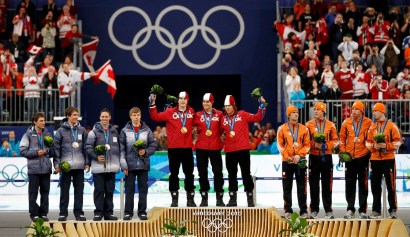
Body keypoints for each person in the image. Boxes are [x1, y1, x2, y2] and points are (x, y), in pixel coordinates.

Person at [149, 92, 196, 207]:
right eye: (180, 98)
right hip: (174, 149)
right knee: (174, 174)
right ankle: (174, 199)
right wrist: (152, 104)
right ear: (178, 100)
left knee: (189, 174)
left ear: (187, 101)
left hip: (187, 148)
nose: (182, 100)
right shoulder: (170, 112)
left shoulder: (191, 112)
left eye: (185, 99)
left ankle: (190, 199)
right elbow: (155, 117)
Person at [221, 95, 266, 207]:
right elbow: (218, 133)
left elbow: (258, 117)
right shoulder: (223, 120)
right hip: (230, 151)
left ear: (234, 106)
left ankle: (250, 198)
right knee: (231, 175)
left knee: (246, 174)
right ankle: (232, 199)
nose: (227, 108)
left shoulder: (242, 114)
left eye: (229, 106)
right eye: (225, 106)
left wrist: (262, 106)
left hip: (243, 150)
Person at [120, 107, 157, 220]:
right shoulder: (124, 131)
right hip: (130, 166)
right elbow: (121, 149)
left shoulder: (147, 130)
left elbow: (153, 145)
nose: (136, 117)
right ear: (130, 116)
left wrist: (145, 152)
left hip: (143, 165)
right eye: (134, 115)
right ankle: (128, 213)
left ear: (140, 116)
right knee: (129, 190)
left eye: (138, 115)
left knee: (143, 191)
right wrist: (124, 165)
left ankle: (142, 212)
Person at [366, 103, 401, 219]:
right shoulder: (372, 127)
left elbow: (398, 142)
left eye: (376, 111)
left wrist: (386, 145)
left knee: (391, 186)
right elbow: (367, 142)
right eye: (373, 111)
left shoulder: (391, 126)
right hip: (375, 159)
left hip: (388, 159)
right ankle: (376, 211)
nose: (374, 113)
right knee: (375, 186)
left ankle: (393, 210)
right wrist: (373, 147)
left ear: (382, 111)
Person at [53, 107, 89, 221]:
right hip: (65, 166)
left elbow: (86, 148)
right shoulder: (60, 131)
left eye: (77, 114)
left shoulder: (82, 130)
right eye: (74, 114)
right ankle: (63, 213)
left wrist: (87, 163)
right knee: (64, 191)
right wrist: (57, 165)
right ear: (68, 116)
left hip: (79, 165)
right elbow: (56, 149)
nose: (76, 117)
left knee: (79, 191)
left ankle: (79, 213)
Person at [85, 108, 121, 221]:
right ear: (100, 118)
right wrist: (96, 157)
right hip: (98, 167)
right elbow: (88, 147)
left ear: (110, 118)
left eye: (107, 116)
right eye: (103, 117)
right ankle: (98, 213)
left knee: (109, 191)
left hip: (112, 167)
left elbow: (118, 148)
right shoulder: (93, 132)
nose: (105, 118)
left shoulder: (115, 131)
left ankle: (109, 213)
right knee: (99, 191)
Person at [339, 101, 372, 219]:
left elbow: (371, 138)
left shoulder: (368, 122)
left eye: (356, 109)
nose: (353, 111)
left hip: (363, 156)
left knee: (363, 184)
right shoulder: (346, 122)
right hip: (350, 157)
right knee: (349, 183)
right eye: (352, 109)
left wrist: (363, 142)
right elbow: (342, 138)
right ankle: (350, 209)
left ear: (362, 111)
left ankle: (363, 210)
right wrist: (343, 152)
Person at [306, 102, 339, 219]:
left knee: (327, 184)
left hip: (327, 157)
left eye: (318, 110)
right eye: (314, 110)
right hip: (313, 157)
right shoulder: (309, 124)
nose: (315, 111)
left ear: (323, 111)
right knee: (313, 184)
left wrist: (326, 146)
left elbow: (336, 141)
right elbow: (305, 141)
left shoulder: (331, 125)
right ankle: (314, 210)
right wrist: (314, 144)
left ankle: (328, 210)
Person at [277, 106, 310, 218]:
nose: (296, 114)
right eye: (293, 112)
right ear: (288, 115)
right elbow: (280, 146)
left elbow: (307, 145)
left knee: (302, 187)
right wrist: (288, 157)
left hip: (300, 161)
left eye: (297, 112)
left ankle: (303, 211)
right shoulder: (281, 129)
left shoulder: (304, 129)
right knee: (287, 187)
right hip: (287, 162)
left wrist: (299, 155)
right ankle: (288, 210)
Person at [19, 112, 53, 221]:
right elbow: (23, 151)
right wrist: (36, 153)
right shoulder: (27, 135)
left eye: (44, 120)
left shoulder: (47, 134)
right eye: (41, 121)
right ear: (35, 122)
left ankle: (43, 213)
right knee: (33, 193)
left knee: (45, 193)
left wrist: (48, 151)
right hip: (34, 169)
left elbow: (52, 150)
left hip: (46, 168)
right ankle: (34, 214)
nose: (44, 123)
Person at [193, 93, 225, 207]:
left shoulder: (220, 114)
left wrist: (219, 141)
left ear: (212, 102)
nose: (205, 104)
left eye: (207, 101)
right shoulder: (197, 115)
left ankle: (219, 199)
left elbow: (223, 129)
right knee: (202, 174)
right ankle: (204, 198)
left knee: (218, 173)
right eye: (204, 101)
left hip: (215, 148)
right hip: (201, 148)